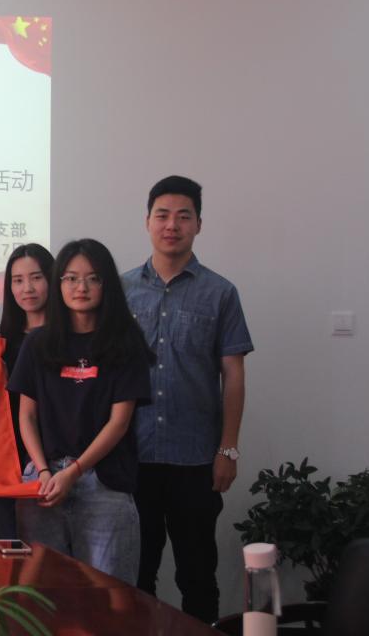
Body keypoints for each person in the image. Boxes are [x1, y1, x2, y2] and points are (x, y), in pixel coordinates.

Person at [122, 176, 253, 622]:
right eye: (162, 215)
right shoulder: (121, 290)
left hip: (196, 458)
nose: (171, 225)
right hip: (133, 456)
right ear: (147, 221)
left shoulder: (220, 292)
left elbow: (233, 375)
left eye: (183, 216)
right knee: (137, 574)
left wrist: (228, 449)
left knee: (197, 574)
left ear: (198, 224)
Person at [10, 238, 153, 581]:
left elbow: (119, 422)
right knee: (43, 591)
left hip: (104, 481)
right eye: (71, 278)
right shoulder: (37, 342)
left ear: (107, 284)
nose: (81, 288)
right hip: (43, 482)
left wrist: (74, 472)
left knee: (108, 594)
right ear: (59, 283)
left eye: (93, 278)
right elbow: (26, 415)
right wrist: (43, 470)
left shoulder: (125, 342)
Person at [0, 243, 55, 537]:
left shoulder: (73, 339)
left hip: (60, 459)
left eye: (36, 278)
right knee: (16, 548)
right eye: (17, 280)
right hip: (10, 462)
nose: (27, 288)